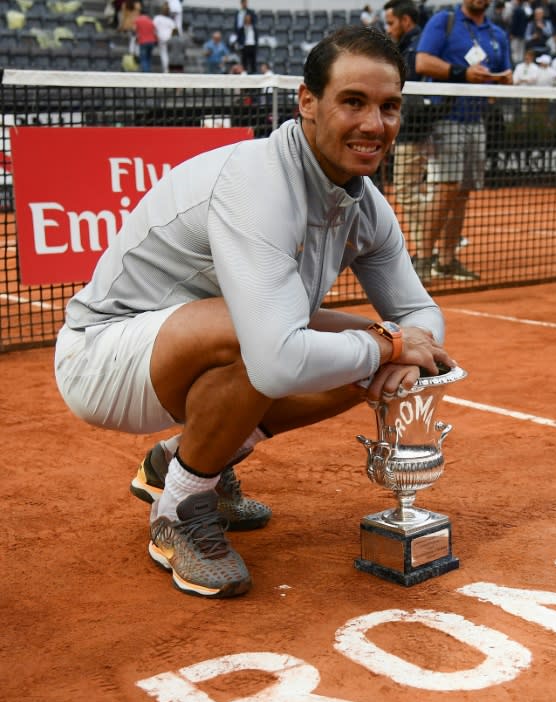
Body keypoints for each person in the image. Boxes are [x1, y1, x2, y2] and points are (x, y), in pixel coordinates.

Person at [53, 25, 455, 599]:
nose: (375, 124)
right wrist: (393, 345)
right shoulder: (257, 183)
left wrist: (405, 348)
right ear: (307, 103)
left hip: (192, 344)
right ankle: (180, 514)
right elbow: (275, 363)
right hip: (102, 358)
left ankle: (180, 465)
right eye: (354, 102)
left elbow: (417, 310)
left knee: (362, 348)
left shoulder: (364, 202)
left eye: (390, 107)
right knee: (285, 342)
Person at [414, 0, 512, 282]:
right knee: (445, 189)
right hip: (445, 116)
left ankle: (446, 260)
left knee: (462, 192)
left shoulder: (497, 34)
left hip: (476, 119)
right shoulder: (444, 21)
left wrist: (503, 80)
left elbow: (507, 73)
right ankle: (423, 258)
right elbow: (423, 62)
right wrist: (463, 73)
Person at [383, 1, 430, 270]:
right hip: (417, 127)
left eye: (391, 23)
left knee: (408, 191)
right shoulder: (411, 45)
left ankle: (426, 249)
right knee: (419, 190)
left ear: (406, 21)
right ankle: (429, 245)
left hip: (414, 130)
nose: (388, 29)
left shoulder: (414, 48)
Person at [153, 2, 176, 74]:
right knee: (168, 54)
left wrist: (156, 36)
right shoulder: (170, 20)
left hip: (162, 38)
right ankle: (168, 69)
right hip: (169, 38)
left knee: (164, 54)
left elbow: (153, 28)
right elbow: (174, 30)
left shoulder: (157, 18)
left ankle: (166, 70)